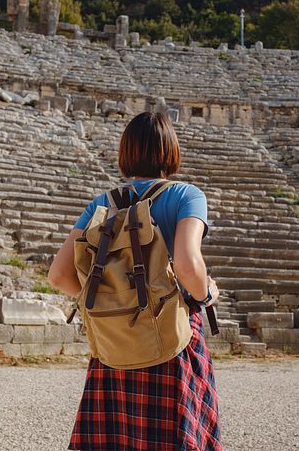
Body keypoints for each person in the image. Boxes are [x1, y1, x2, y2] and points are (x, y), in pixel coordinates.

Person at [47, 111, 222, 451]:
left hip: (114, 345)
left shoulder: (102, 204)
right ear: (171, 151)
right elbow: (188, 264)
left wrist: (110, 303)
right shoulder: (187, 195)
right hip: (173, 340)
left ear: (126, 152)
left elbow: (58, 275)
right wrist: (204, 294)